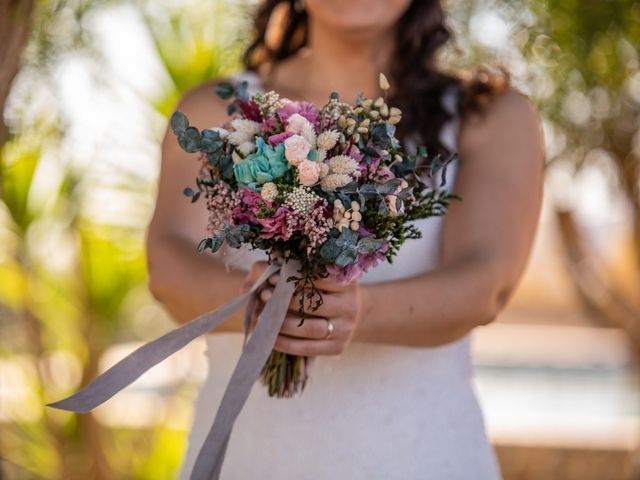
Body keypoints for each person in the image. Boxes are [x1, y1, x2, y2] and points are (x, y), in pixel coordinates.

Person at [146, 0, 544, 478]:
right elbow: (168, 266)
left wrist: (354, 310)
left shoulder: (491, 116)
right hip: (246, 460)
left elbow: (486, 285)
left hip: (423, 457)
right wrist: (263, 299)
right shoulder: (214, 109)